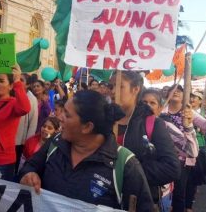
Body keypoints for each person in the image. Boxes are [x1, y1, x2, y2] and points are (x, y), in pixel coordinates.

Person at [19, 90, 153, 211]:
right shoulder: (56, 142)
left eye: (67, 114)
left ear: (87, 127)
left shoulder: (125, 165)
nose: (59, 118)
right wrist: (29, 174)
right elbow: (30, 166)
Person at [109, 71, 181, 209]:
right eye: (111, 86)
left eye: (119, 86)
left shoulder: (153, 123)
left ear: (135, 89)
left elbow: (172, 168)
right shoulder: (103, 119)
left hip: (138, 202)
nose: (112, 91)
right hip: (105, 200)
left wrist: (126, 172)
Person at [141, 88, 198, 212]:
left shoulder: (165, 126)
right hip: (135, 186)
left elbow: (193, 151)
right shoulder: (130, 125)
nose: (147, 106)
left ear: (160, 108)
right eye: (144, 102)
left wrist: (188, 127)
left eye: (152, 103)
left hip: (159, 189)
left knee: (179, 197)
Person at [161, 84, 206, 212]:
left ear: (184, 94)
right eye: (173, 90)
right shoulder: (161, 110)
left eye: (180, 90)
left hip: (183, 159)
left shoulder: (188, 112)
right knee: (163, 191)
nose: (176, 92)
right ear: (167, 93)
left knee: (179, 193)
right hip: (164, 157)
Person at [15, 73, 38, 174]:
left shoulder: (31, 99)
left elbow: (33, 121)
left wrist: (28, 141)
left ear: (28, 85)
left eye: (21, 80)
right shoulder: (12, 93)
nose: (18, 81)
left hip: (20, 141)